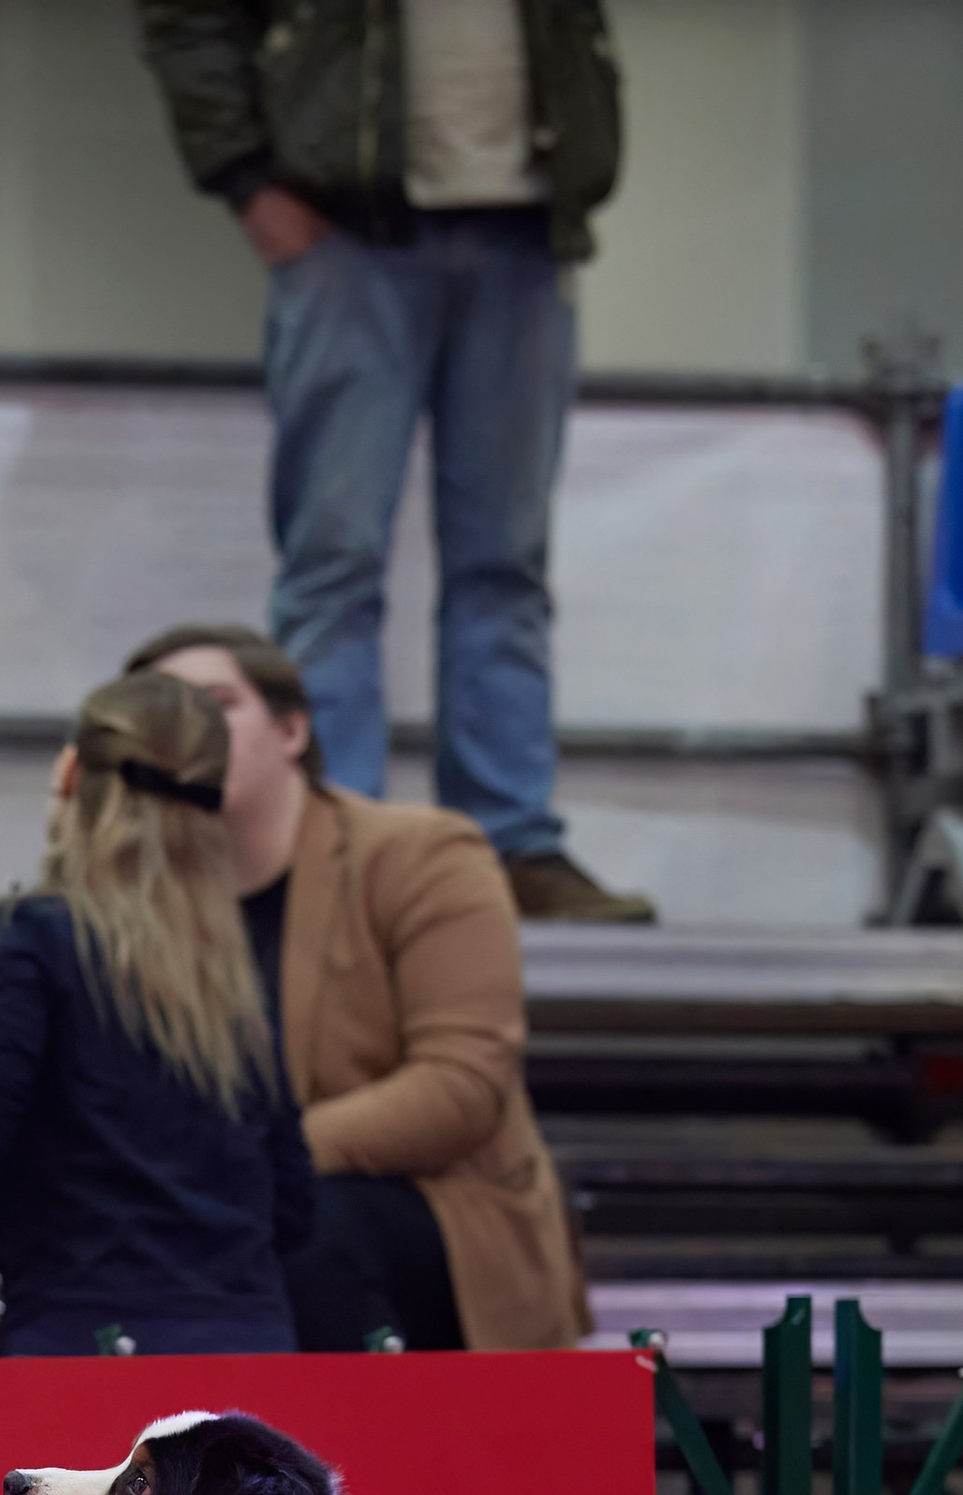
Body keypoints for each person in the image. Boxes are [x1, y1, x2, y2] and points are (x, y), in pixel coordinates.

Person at [136, 1, 648, 925]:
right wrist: (245, 180)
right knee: (335, 561)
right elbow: (187, 17)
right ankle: (329, 849)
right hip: (345, 228)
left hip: (528, 224)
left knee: (507, 565)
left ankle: (511, 846)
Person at [133, 621, 586, 1352]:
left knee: (308, 1222)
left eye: (216, 704)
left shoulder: (425, 854)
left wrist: (253, 1160)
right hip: (224, 1212)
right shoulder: (136, 905)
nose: (190, 733)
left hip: (428, 1208)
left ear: (292, 730)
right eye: (163, 716)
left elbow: (461, 1086)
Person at [0, 670, 311, 1356]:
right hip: (250, 1340)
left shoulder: (32, 936)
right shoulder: (230, 970)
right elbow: (295, 1204)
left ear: (70, 774)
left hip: (85, 1338)